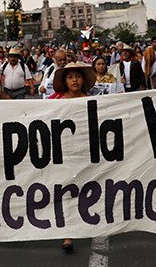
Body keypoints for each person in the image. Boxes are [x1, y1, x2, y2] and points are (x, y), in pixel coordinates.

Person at [47, 62, 95, 252]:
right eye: (70, 77)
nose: (74, 80)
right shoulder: (55, 99)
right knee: (63, 190)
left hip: (84, 151)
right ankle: (67, 234)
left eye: (77, 76)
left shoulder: (91, 101)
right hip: (61, 151)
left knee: (83, 189)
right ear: (64, 81)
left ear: (83, 80)